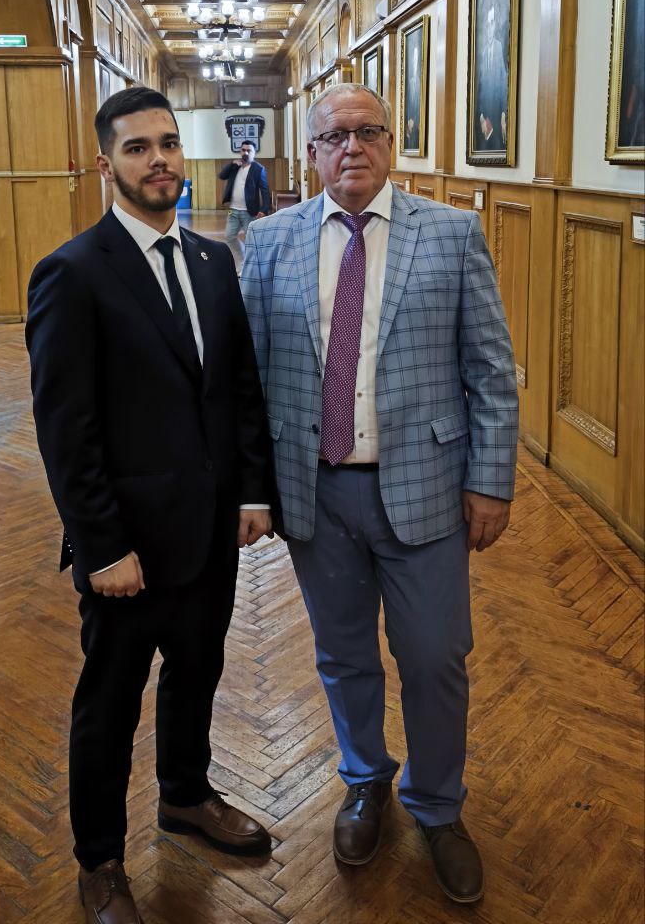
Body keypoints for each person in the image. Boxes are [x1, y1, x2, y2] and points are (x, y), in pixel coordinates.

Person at [241, 83, 518, 905]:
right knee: (343, 654)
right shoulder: (270, 240)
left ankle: (438, 806)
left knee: (435, 657)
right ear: (312, 153)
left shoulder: (452, 233)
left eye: (367, 132)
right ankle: (365, 780)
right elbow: (246, 381)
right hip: (314, 492)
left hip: (427, 488)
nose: (352, 148)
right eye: (334, 136)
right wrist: (251, 489)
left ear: (391, 144)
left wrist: (490, 481)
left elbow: (491, 370)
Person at [26, 86, 276, 924]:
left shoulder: (211, 260)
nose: (158, 159)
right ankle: (99, 859)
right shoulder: (72, 273)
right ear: (107, 164)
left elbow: (237, 387)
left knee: (197, 672)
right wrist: (101, 546)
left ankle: (185, 795)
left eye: (167, 143)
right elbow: (67, 431)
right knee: (109, 703)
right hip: (126, 546)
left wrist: (251, 490)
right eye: (137, 148)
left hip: (210, 530)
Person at [219, 141, 271, 270]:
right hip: (233, 210)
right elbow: (222, 176)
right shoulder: (235, 166)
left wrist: (264, 209)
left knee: (251, 241)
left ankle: (252, 267)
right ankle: (242, 261)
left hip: (249, 212)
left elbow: (265, 190)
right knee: (229, 237)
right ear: (240, 152)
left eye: (249, 150)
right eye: (243, 150)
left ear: (254, 153)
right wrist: (231, 164)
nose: (245, 152)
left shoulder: (258, 169)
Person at [476, 4, 508, 151]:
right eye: (487, 24)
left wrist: (503, 115)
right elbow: (480, 90)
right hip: (485, 121)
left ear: (495, 26)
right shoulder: (483, 53)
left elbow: (503, 84)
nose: (489, 28)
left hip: (497, 116)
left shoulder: (499, 47)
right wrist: (481, 117)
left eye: (492, 23)